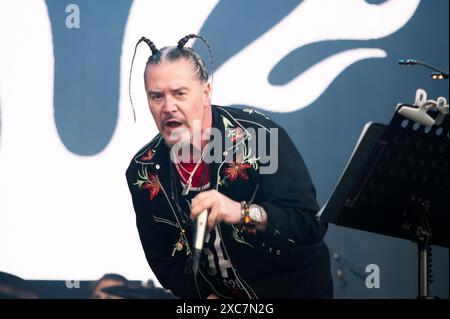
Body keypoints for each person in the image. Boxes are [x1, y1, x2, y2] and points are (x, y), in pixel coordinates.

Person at [126, 34, 333, 299]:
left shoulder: (260, 138)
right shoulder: (142, 171)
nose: (168, 107)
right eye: (156, 97)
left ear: (205, 93)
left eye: (180, 93)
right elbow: (164, 261)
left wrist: (242, 212)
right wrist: (203, 296)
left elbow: (309, 227)